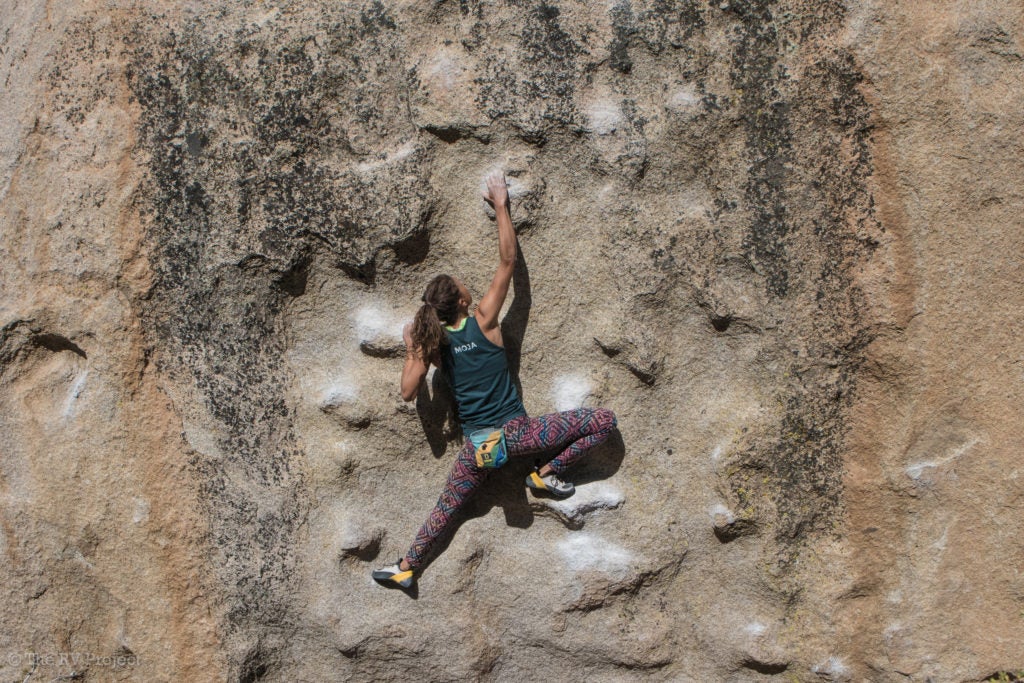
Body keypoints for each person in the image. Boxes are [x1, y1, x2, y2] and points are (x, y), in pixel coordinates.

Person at [372, 171, 618, 590]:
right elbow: (507, 263)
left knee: (448, 507)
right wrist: (502, 204)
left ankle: (407, 567)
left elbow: (408, 391)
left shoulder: (433, 345)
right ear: (463, 301)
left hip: (477, 448)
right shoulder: (484, 320)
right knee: (604, 421)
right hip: (519, 436)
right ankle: (545, 474)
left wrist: (413, 347)